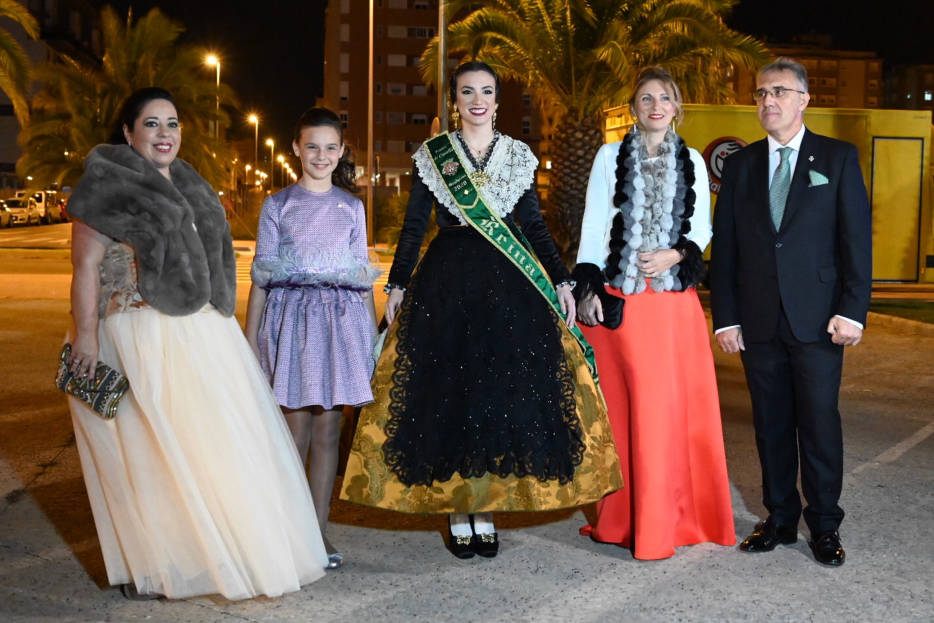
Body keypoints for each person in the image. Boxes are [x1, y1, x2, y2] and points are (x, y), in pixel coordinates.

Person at [340, 61, 622, 559]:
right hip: (447, 285)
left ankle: (484, 509)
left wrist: (559, 278)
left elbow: (533, 225)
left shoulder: (517, 156)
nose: (477, 99)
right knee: (452, 397)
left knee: (496, 397)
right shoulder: (433, 155)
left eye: (486, 91)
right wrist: (400, 282)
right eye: (467, 91)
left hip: (508, 289)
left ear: (497, 100)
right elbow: (413, 226)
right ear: (454, 100)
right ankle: (457, 509)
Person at [64, 87, 328, 600]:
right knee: (143, 453)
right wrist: (88, 336)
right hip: (132, 330)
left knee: (206, 448)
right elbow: (85, 267)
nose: (165, 135)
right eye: (152, 124)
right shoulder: (106, 187)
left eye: (173, 124)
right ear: (127, 132)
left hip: (200, 331)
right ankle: (153, 563)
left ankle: (202, 558)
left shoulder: (194, 188)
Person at [710, 58, 872, 566]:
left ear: (803, 100)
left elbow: (856, 242)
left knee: (819, 423)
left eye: (779, 91)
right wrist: (726, 317)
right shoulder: (741, 165)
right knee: (771, 424)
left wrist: (853, 310)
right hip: (758, 323)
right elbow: (727, 250)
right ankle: (780, 518)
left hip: (820, 321)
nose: (768, 101)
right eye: (760, 93)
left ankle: (824, 525)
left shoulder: (839, 159)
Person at [572, 66, 736, 560]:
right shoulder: (608, 156)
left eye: (664, 97)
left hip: (671, 309)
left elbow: (703, 230)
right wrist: (587, 286)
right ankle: (628, 520)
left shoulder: (689, 158)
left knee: (670, 413)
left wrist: (674, 255)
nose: (656, 106)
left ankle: (674, 517)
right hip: (624, 305)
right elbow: (595, 221)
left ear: (676, 105)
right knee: (625, 411)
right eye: (646, 99)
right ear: (634, 108)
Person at [245, 107, 379, 569]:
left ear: (341, 151)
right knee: (292, 431)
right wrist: (250, 341)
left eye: (330, 147)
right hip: (291, 324)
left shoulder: (352, 207)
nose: (321, 155)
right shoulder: (277, 205)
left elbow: (361, 279)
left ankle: (318, 531)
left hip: (340, 326)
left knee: (327, 430)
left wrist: (371, 341)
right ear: (296, 149)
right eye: (312, 146)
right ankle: (285, 530)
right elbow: (261, 278)